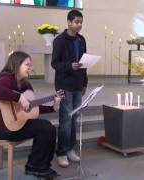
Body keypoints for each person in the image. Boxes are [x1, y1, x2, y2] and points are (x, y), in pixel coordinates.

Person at [0, 51, 60, 178]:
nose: (30, 68)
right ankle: (33, 166)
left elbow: (32, 107)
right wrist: (18, 97)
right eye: (27, 65)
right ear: (16, 65)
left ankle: (42, 165)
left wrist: (52, 108)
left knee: (50, 128)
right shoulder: (5, 78)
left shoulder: (25, 84)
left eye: (30, 66)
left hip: (17, 124)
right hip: (2, 128)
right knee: (44, 127)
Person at [51, 9, 87, 167]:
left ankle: (70, 148)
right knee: (65, 119)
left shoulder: (81, 40)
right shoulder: (60, 40)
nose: (79, 25)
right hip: (64, 84)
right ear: (69, 22)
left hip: (77, 84)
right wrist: (69, 66)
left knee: (74, 118)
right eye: (76, 22)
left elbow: (84, 63)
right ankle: (61, 152)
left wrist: (84, 82)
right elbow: (55, 63)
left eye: (81, 22)